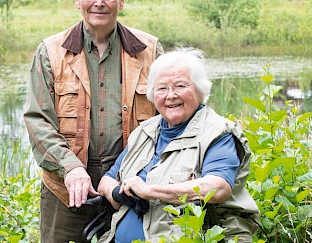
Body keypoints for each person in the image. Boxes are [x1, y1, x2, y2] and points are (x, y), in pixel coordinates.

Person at [23, 0, 164, 243]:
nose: (99, 2)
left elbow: (173, 114)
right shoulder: (50, 52)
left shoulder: (149, 50)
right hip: (66, 188)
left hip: (132, 184)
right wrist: (71, 168)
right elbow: (37, 121)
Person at [97, 48, 260, 243]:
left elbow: (217, 188)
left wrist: (149, 191)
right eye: (162, 88)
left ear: (200, 90)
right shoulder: (144, 131)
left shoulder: (218, 133)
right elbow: (106, 181)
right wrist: (120, 194)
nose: (171, 95)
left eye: (180, 86)